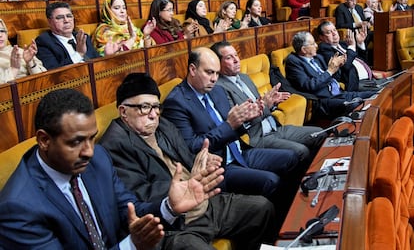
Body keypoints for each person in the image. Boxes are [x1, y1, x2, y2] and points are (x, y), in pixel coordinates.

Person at [0, 88, 227, 249]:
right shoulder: (18, 207)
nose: (88, 151)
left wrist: (170, 207)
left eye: (92, 138)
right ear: (44, 140)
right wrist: (131, 245)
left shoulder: (97, 159)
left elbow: (130, 209)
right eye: (76, 142)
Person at [100, 73, 278, 250]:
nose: (154, 115)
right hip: (174, 224)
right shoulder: (114, 145)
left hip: (203, 203)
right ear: (123, 111)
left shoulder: (164, 125)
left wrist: (203, 164)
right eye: (145, 107)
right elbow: (138, 198)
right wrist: (186, 185)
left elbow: (187, 160)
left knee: (263, 208)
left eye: (156, 107)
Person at [162, 47, 300, 206]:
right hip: (220, 166)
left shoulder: (217, 90)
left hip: (240, 152)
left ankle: (293, 209)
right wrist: (230, 125)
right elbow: (190, 147)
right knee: (271, 181)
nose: (214, 78)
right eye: (209, 72)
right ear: (192, 69)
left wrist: (246, 118)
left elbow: (233, 126)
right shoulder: (177, 102)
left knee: (292, 158)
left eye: (216, 73)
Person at [212, 41, 324, 163]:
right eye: (229, 58)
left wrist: (272, 104)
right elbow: (239, 124)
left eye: (236, 55)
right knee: (301, 151)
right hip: (258, 136)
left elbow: (262, 106)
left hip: (275, 127)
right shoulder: (219, 88)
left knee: (320, 133)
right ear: (218, 63)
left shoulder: (244, 77)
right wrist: (265, 105)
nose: (236, 60)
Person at [285, 32, 376, 119]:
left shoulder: (318, 58)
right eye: (313, 44)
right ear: (303, 49)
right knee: (356, 105)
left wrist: (337, 66)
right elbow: (309, 85)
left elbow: (335, 77)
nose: (316, 46)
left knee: (375, 94)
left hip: (340, 93)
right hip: (324, 99)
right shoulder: (294, 62)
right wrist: (329, 71)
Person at [317, 21, 382, 92]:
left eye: (335, 30)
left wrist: (360, 43)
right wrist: (351, 47)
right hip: (356, 83)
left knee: (392, 84)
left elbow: (363, 60)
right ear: (321, 37)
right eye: (329, 32)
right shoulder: (325, 50)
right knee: (386, 91)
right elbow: (346, 66)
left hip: (370, 79)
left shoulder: (343, 44)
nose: (334, 34)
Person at [35, 2, 100, 70]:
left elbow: (97, 60)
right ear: (49, 22)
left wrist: (108, 55)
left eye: (69, 16)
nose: (66, 20)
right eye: (60, 18)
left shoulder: (83, 37)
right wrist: (79, 54)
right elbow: (53, 72)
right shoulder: (43, 42)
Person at [0, 19, 46, 83]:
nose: (0, 35)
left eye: (2, 31)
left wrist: (30, 63)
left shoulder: (19, 51)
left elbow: (44, 79)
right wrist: (13, 69)